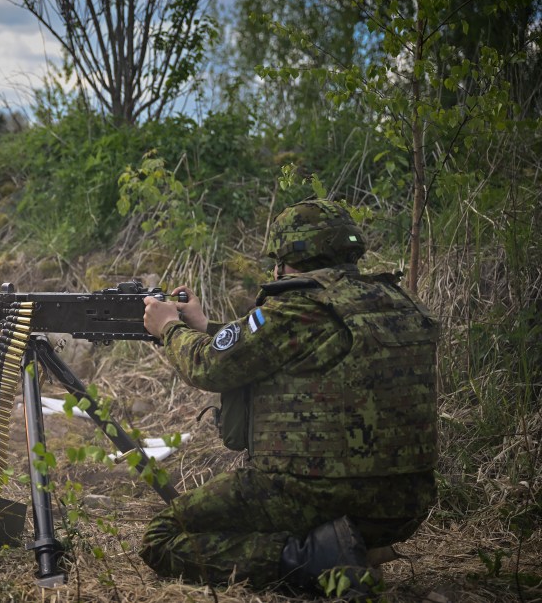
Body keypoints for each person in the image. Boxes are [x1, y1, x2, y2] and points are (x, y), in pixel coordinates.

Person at [138, 199, 439, 598]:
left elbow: (208, 367)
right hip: (406, 503)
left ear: (285, 260)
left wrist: (170, 328)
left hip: (313, 495)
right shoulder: (397, 300)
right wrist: (204, 325)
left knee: (160, 538)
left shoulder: (296, 307)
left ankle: (317, 558)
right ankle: (356, 544)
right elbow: (275, 344)